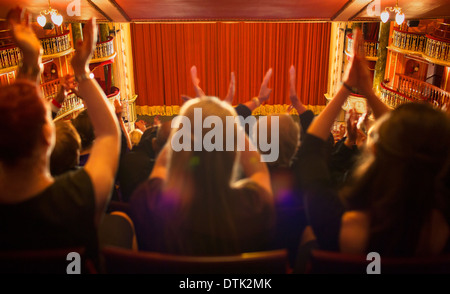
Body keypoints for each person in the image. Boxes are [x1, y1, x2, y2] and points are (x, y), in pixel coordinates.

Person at [295, 28, 450, 261]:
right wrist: (367, 93)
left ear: (375, 149)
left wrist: (349, 88)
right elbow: (312, 150)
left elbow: (310, 152)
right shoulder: (442, 228)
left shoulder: (344, 225)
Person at [0, 9, 120, 270]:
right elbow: (111, 134)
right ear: (48, 137)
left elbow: (16, 118)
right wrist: (81, 70)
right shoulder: (76, 199)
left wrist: (32, 65)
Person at [130, 96, 275, 255]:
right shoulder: (255, 207)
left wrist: (186, 128)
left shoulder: (150, 202)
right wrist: (230, 128)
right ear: (233, 154)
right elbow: (259, 170)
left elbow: (162, 166)